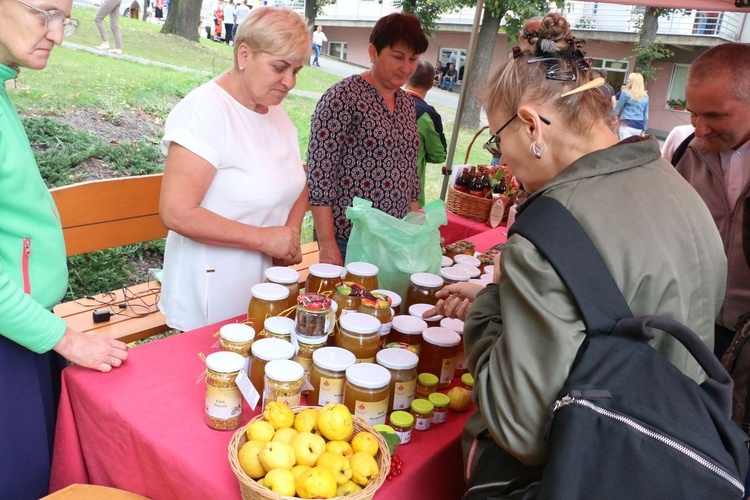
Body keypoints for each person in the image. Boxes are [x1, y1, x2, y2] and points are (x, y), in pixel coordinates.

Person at [427, 12, 726, 493]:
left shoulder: (550, 228)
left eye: (498, 141)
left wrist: (491, 305)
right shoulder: (674, 183)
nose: (502, 159)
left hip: (592, 470)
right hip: (680, 457)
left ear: (530, 126)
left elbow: (520, 429)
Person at [0, 3, 129, 497]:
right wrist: (67, 340)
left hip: (26, 330)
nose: (57, 34)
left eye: (65, 19)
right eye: (45, 13)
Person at [158, 6, 311, 332]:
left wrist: (290, 235)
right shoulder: (205, 111)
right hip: (210, 288)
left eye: (296, 70)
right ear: (244, 54)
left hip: (265, 283)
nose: (289, 82)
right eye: (280, 68)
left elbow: (300, 179)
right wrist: (265, 240)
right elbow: (177, 212)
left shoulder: (275, 112)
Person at [306, 12, 428, 264]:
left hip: (393, 236)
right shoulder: (342, 97)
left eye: (413, 59)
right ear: (373, 52)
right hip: (348, 238)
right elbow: (320, 174)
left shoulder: (406, 103)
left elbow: (409, 171)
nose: (406, 68)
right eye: (397, 57)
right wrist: (327, 243)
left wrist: (414, 227)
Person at [674, 43, 750, 359]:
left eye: (715, 115)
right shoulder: (683, 153)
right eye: (692, 112)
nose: (700, 129)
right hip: (690, 329)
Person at [404, 60, 447, 207]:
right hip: (409, 195)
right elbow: (438, 155)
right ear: (431, 84)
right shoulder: (427, 115)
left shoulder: (383, 101)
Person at [614, 72, 649, 139]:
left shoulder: (625, 93)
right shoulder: (645, 96)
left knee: (624, 146)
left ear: (631, 82)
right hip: (639, 127)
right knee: (632, 147)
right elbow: (645, 115)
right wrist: (644, 129)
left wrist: (607, 118)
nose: (627, 81)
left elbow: (617, 110)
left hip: (626, 125)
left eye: (628, 79)